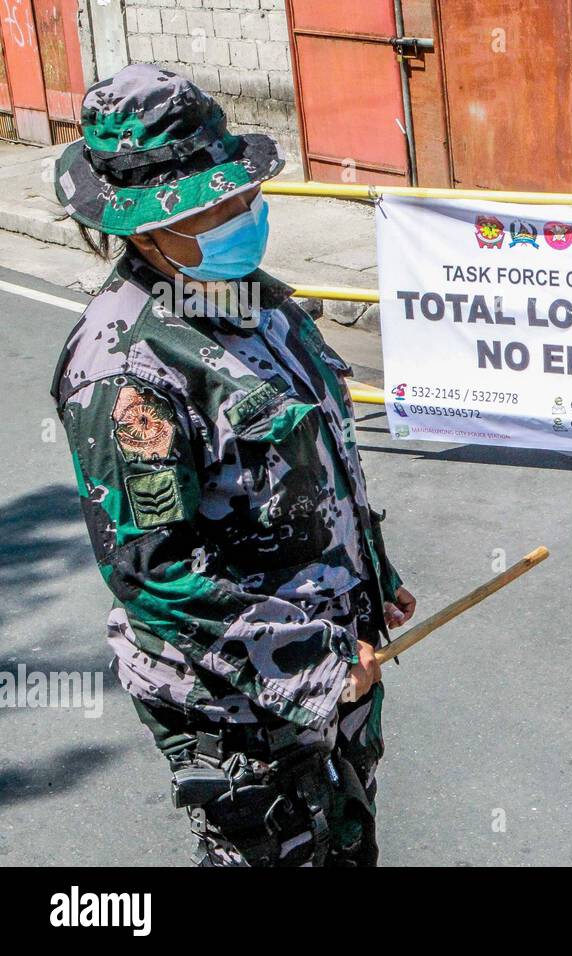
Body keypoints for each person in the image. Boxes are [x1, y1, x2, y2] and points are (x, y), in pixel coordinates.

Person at [50, 64, 416, 866]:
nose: (241, 216)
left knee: (348, 842)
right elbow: (155, 574)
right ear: (144, 230)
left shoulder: (248, 296)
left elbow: (316, 452)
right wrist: (311, 660)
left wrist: (372, 574)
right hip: (237, 701)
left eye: (242, 197)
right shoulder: (126, 369)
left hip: (337, 668)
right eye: (212, 210)